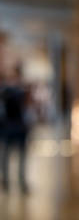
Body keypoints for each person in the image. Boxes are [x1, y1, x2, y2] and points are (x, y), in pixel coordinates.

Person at [0, 64, 31, 193]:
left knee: (14, 156)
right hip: (13, 127)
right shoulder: (15, 91)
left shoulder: (11, 91)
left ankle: (15, 181)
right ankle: (12, 181)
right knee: (10, 155)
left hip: (14, 127)